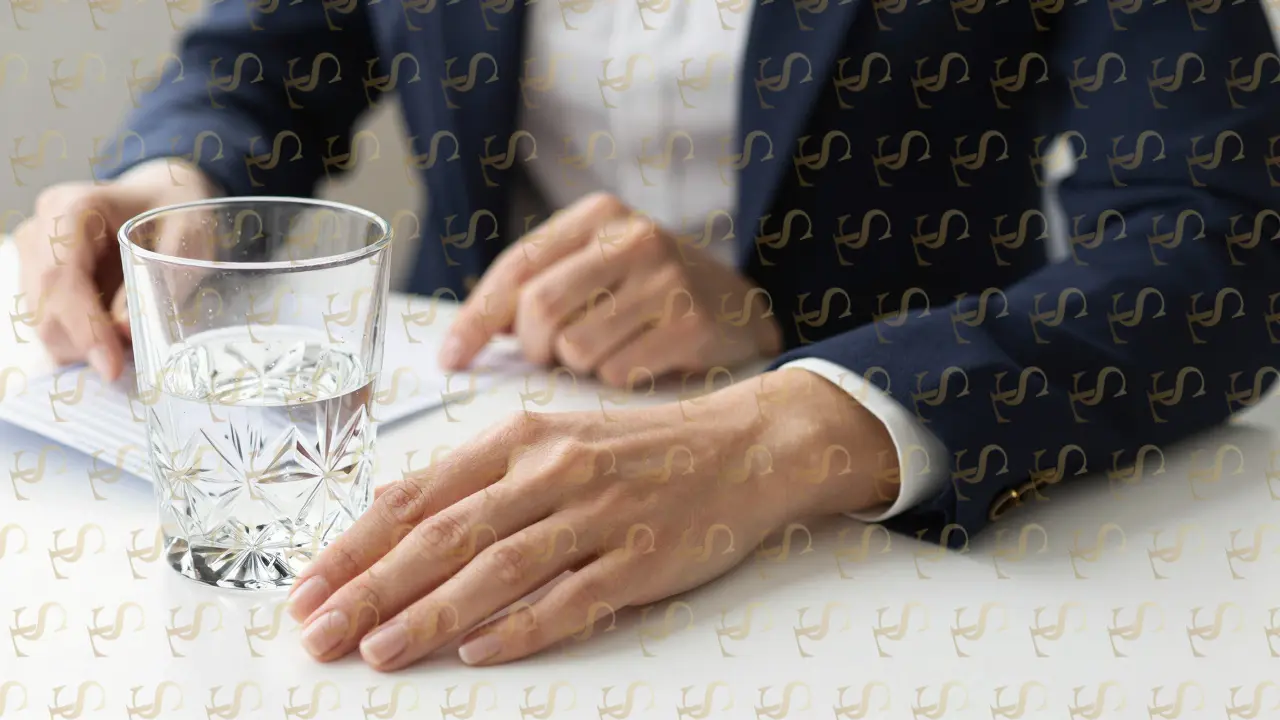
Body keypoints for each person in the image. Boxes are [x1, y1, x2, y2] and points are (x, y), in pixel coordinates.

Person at [13, 0, 1280, 671]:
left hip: (902, 517)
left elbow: (1216, 243)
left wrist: (804, 400)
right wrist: (173, 185)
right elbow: (258, 63)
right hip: (448, 437)